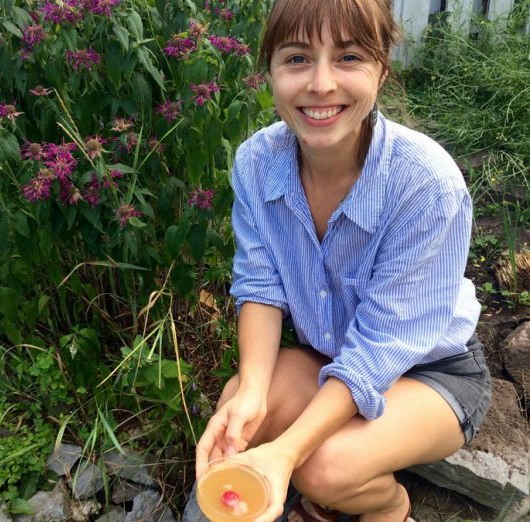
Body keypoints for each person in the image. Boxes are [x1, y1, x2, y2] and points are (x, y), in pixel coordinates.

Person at [194, 0, 492, 521]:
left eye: (349, 57)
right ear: (269, 71)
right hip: (330, 356)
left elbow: (382, 345)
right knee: (240, 403)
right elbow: (260, 285)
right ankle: (324, 493)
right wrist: (255, 393)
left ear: (382, 68)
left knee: (322, 466)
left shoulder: (425, 183)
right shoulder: (257, 163)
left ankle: (388, 506)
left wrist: (287, 456)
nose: (322, 84)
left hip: (434, 372)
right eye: (297, 58)